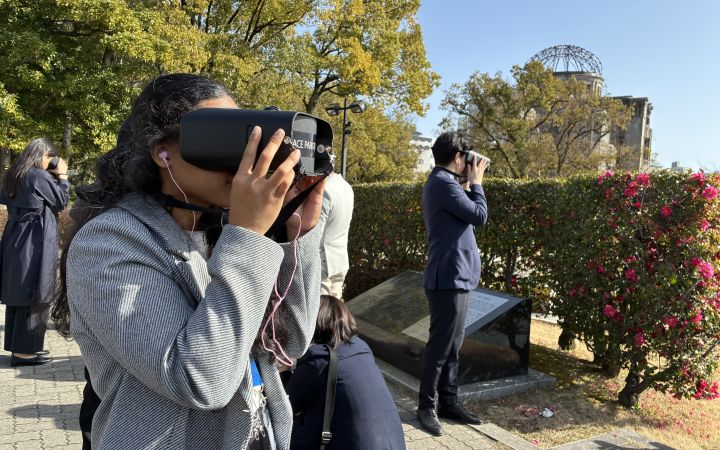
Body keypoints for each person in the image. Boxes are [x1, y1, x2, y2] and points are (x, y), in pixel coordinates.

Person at [50, 73, 327, 449]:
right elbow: (201, 380)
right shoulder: (109, 241)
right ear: (161, 151)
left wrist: (294, 234)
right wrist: (248, 237)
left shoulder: (223, 232)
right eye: (224, 139)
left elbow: (287, 344)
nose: (243, 160)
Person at [416, 131, 488, 436]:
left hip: (455, 277)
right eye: (466, 156)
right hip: (448, 278)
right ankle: (426, 406)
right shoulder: (443, 184)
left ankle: (448, 401)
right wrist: (479, 182)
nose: (469, 162)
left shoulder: (445, 183)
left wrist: (469, 184)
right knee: (441, 347)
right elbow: (479, 215)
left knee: (453, 346)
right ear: (457, 157)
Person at [286, 295, 405, 450]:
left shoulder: (318, 360)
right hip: (393, 443)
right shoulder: (361, 347)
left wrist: (284, 369)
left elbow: (286, 404)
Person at [1, 138, 69, 366]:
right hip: (36, 238)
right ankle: (24, 354)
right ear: (42, 155)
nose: (52, 162)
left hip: (16, 236)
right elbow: (60, 201)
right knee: (36, 290)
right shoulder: (37, 175)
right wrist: (63, 178)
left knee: (20, 291)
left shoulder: (15, 174)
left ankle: (19, 348)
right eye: (51, 158)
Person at [319, 172, 354, 299]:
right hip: (340, 260)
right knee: (335, 312)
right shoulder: (346, 186)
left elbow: (316, 232)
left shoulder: (325, 189)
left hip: (323, 262)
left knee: (321, 314)